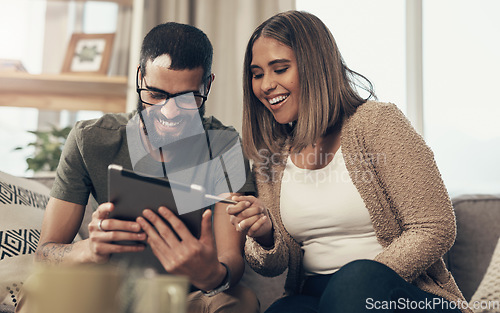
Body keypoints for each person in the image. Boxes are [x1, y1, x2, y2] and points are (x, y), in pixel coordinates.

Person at [227, 10, 473, 313]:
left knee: (354, 283)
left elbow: (435, 227)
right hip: (317, 295)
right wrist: (264, 234)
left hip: (396, 290)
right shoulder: (273, 157)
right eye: (257, 73)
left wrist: (357, 281)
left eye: (280, 69)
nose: (265, 85)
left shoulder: (377, 122)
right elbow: (275, 264)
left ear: (315, 67)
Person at [22, 22, 258, 313]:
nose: (168, 113)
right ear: (139, 77)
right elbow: (45, 254)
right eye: (156, 94)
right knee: (37, 290)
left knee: (240, 301)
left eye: (186, 99)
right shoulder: (91, 139)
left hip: (184, 296)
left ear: (206, 85)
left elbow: (230, 258)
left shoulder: (224, 145)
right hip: (104, 290)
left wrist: (212, 274)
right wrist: (89, 249)